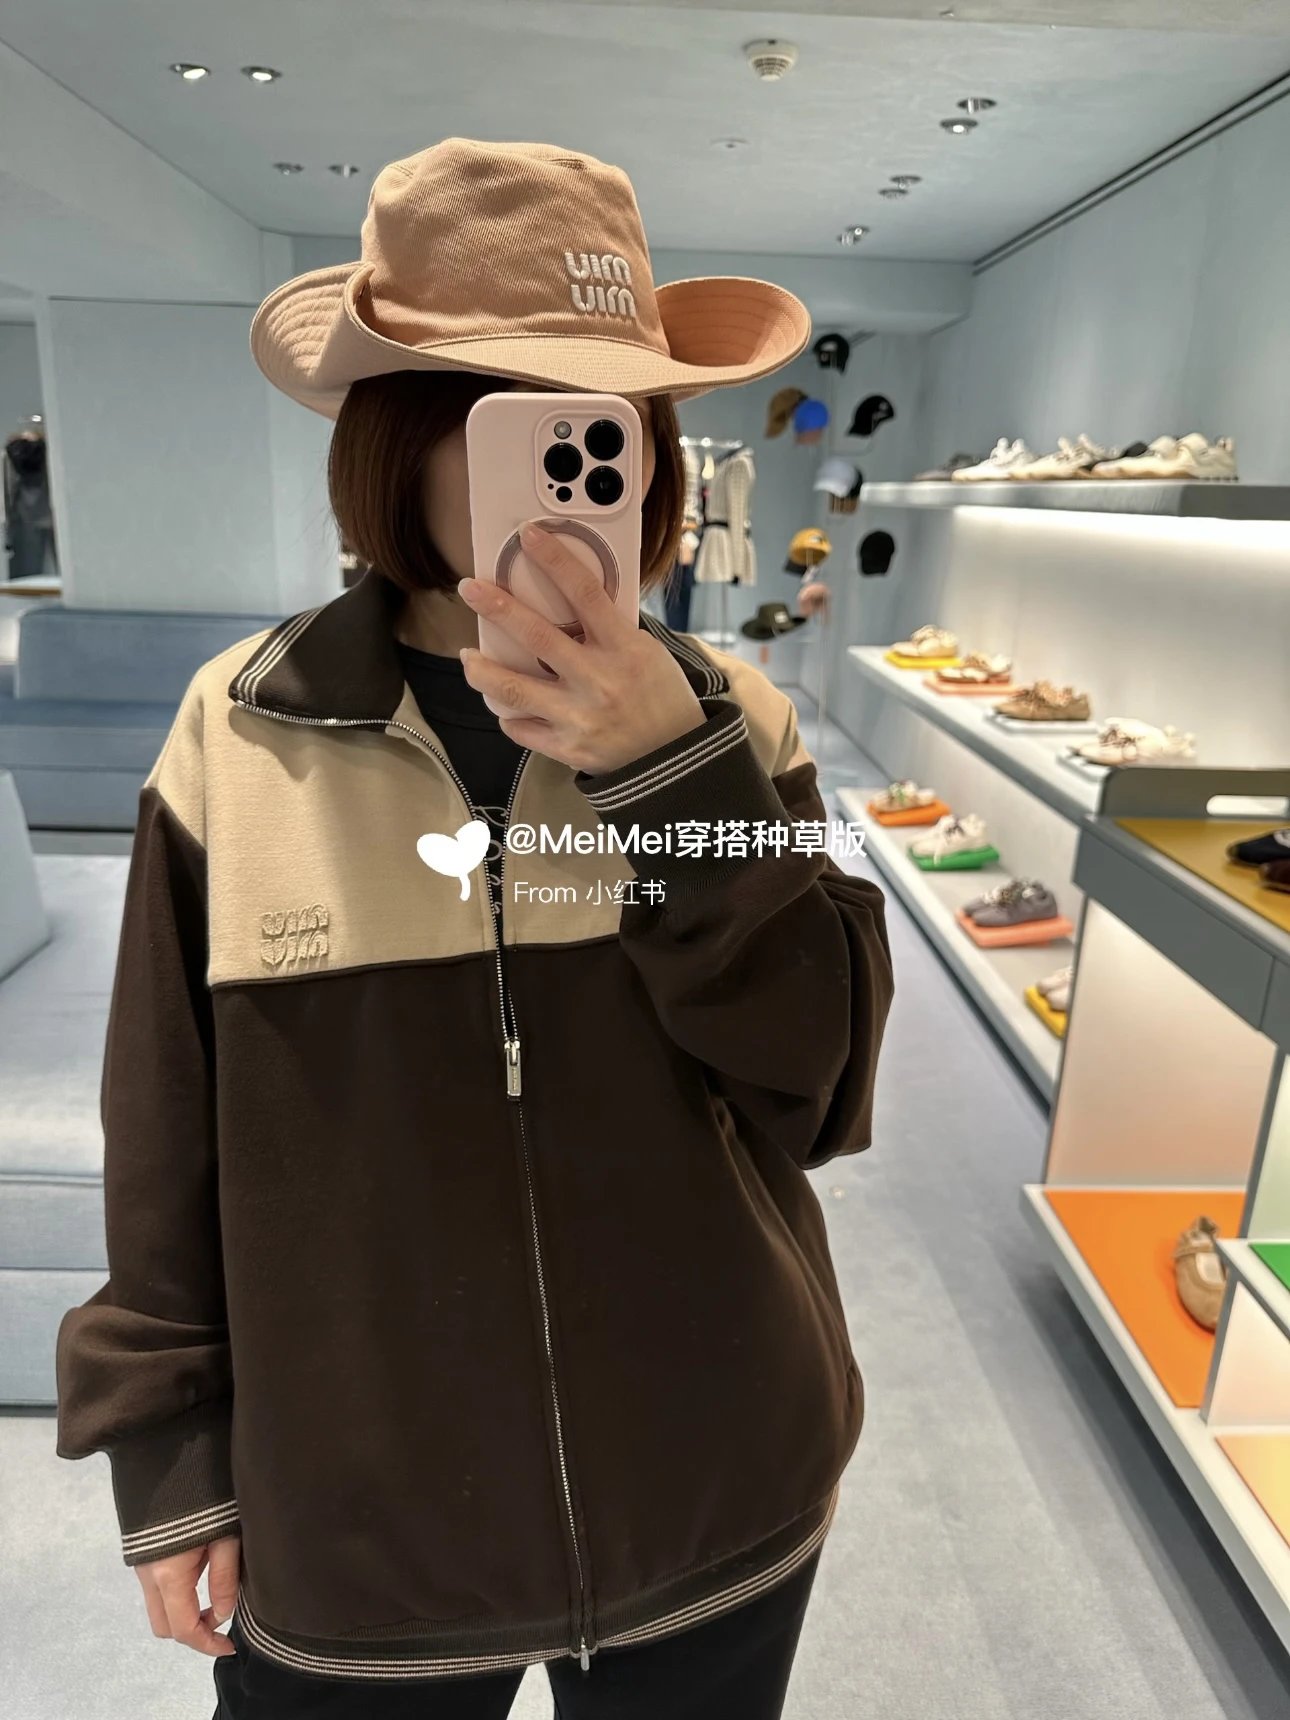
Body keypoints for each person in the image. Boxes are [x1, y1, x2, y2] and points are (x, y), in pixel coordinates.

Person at [53, 138, 894, 1720]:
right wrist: (167, 1448)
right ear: (399, 434)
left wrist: (668, 776)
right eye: (509, 413)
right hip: (363, 1531)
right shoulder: (243, 729)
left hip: (716, 1481)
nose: (575, 462)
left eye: (609, 417)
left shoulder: (734, 722)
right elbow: (164, 1124)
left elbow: (821, 1087)